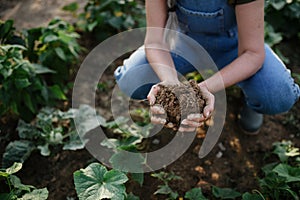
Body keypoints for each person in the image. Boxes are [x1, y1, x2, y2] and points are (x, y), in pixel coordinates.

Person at [114, 0, 300, 134]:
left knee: (277, 95)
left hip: (235, 47)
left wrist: (201, 89)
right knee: (132, 81)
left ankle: (253, 101)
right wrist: (170, 83)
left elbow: (252, 53)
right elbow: (155, 41)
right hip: (182, 42)